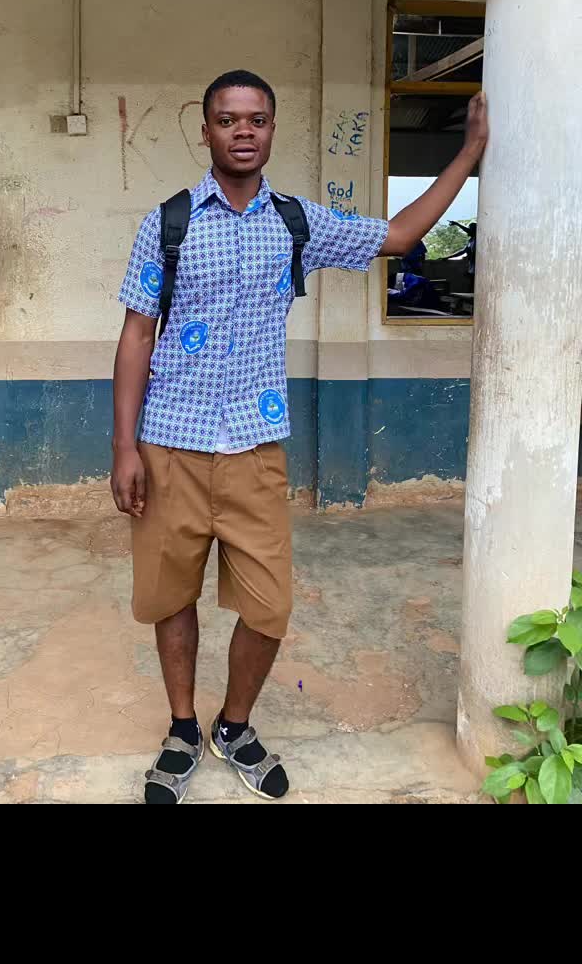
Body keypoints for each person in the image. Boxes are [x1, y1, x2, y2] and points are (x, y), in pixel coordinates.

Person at [112, 70, 488, 803]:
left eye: (255, 119)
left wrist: (469, 151)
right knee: (169, 597)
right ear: (206, 130)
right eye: (228, 119)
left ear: (272, 130)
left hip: (255, 449)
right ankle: (182, 730)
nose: (242, 131)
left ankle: (234, 726)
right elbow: (135, 335)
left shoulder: (297, 224)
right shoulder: (168, 224)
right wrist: (124, 447)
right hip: (169, 445)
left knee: (268, 605)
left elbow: (400, 236)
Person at [387, 240, 444, 313]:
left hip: (414, 287)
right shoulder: (409, 278)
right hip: (409, 281)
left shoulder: (417, 281)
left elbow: (403, 295)